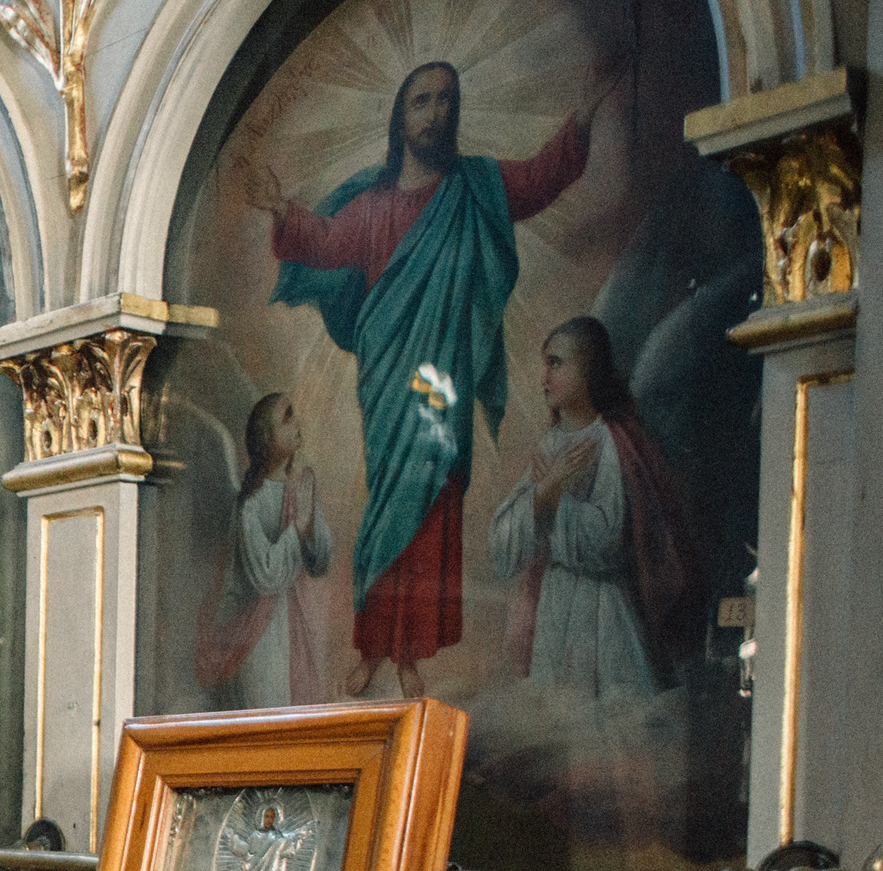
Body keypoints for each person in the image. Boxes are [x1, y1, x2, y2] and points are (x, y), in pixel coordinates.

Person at [245, 58, 617, 697]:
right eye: (422, 101)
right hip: (393, 378)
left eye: (447, 100)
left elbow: (537, 179)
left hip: (437, 385)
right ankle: (371, 643)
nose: (437, 112)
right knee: (391, 497)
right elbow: (327, 241)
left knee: (433, 496)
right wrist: (282, 208)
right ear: (401, 117)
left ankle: (410, 653)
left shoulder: (476, 187)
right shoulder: (376, 206)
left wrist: (581, 117)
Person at [490, 317, 699, 694]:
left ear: (588, 371)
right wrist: (544, 493)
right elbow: (502, 542)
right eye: (544, 364)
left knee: (603, 724)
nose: (544, 377)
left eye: (556, 363)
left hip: (602, 615)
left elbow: (606, 540)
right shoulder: (551, 446)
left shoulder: (608, 443)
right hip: (553, 612)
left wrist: (557, 497)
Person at [195, 391, 332, 707]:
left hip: (297, 628)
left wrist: (309, 526)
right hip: (260, 639)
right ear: (268, 439)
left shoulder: (297, 490)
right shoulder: (250, 505)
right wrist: (299, 526)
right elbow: (267, 577)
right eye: (287, 417)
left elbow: (320, 561)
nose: (297, 422)